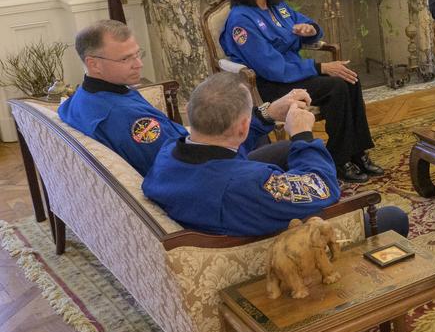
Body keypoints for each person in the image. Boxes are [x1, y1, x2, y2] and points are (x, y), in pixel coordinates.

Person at [143, 73, 408, 238]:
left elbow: (223, 143)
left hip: (210, 202)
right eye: (249, 119)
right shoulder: (252, 183)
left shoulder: (169, 151)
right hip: (259, 240)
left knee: (284, 150)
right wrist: (303, 135)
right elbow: (321, 187)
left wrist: (267, 114)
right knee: (394, 217)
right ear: (242, 127)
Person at [58, 19, 307, 176]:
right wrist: (264, 118)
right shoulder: (125, 118)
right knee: (292, 147)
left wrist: (265, 114)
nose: (139, 64)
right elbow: (185, 165)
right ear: (94, 63)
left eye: (137, 54)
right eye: (126, 59)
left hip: (192, 153)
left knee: (257, 127)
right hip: (206, 176)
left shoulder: (80, 100)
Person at [220, 0, 381, 184]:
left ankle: (357, 152)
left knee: (350, 79)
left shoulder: (278, 7)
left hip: (295, 75)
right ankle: (339, 159)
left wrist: (310, 29)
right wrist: (320, 67)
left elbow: (308, 24)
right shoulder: (241, 20)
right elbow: (271, 67)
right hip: (270, 85)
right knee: (336, 87)